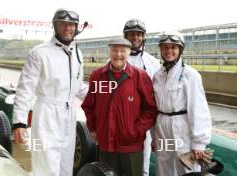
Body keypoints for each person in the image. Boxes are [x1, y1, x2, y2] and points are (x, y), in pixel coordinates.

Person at [12, 9, 88, 176]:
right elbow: (25, 89)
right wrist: (19, 122)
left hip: (69, 116)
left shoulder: (77, 53)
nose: (68, 28)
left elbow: (78, 85)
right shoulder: (39, 52)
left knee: (66, 165)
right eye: (63, 24)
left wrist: (105, 95)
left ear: (76, 27)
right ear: (55, 26)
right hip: (46, 115)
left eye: (71, 25)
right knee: (46, 167)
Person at [81, 38, 158, 176]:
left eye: (123, 51)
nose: (118, 54)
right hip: (106, 144)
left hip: (131, 146)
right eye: (115, 50)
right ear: (109, 52)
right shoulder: (98, 76)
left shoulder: (139, 76)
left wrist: (135, 131)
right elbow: (89, 105)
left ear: (128, 53)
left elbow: (150, 109)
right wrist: (92, 128)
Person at [153, 31, 212, 176]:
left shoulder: (190, 75)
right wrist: (154, 137)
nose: (169, 51)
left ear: (180, 50)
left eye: (173, 47)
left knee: (186, 167)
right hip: (163, 127)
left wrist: (199, 142)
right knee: (164, 163)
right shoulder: (158, 75)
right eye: (165, 47)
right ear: (161, 49)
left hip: (182, 129)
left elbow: (198, 109)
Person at [123, 19, 160, 176]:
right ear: (125, 36)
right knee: (121, 161)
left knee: (143, 163)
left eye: (139, 34)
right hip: (123, 117)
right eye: (131, 34)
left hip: (146, 119)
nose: (135, 38)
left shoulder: (154, 62)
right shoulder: (115, 59)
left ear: (143, 37)